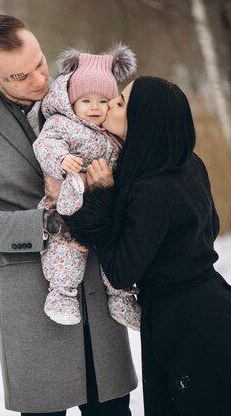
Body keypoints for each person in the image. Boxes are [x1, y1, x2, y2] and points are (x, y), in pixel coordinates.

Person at [0, 14, 137, 416]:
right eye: (20, 76)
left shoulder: (91, 95)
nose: (39, 79)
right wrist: (52, 224)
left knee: (114, 411)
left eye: (41, 62)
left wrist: (104, 193)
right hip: (33, 305)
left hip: (100, 294)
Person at [65, 76, 231, 416]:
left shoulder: (149, 189)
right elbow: (211, 228)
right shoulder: (187, 163)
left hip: (190, 326)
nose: (108, 105)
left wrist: (101, 201)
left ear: (143, 121)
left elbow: (122, 271)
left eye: (120, 103)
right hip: (216, 308)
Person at [32, 45, 140, 330]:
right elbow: (45, 145)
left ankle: (121, 297)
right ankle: (61, 295)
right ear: (71, 102)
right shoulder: (62, 125)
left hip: (106, 205)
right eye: (86, 100)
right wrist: (62, 160)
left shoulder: (112, 134)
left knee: (115, 250)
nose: (95, 107)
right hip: (71, 201)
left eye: (103, 100)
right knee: (68, 250)